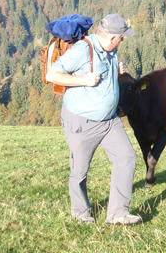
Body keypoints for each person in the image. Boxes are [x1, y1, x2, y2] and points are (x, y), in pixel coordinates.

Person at [46, 14, 142, 225]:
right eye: (122, 37)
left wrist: (116, 72)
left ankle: (118, 214)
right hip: (82, 121)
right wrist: (83, 80)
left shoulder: (111, 52)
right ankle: (80, 213)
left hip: (109, 121)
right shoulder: (82, 50)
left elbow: (102, 76)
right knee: (79, 170)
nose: (123, 40)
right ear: (112, 38)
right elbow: (52, 74)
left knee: (126, 158)